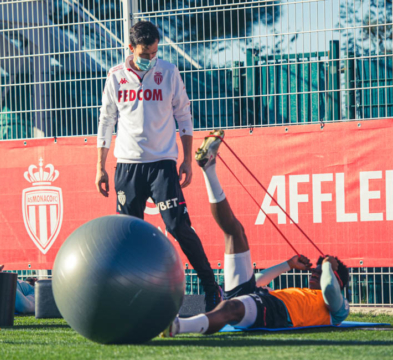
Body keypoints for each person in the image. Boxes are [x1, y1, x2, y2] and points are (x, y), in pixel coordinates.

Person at [162, 130, 350, 336]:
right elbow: (256, 281)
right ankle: (208, 167)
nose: (315, 271)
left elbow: (330, 289)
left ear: (337, 279)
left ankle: (177, 326)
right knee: (235, 233)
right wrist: (287, 265)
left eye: (320, 271)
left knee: (229, 308)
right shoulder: (300, 293)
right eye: (318, 269)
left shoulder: (338, 308)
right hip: (259, 296)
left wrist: (328, 265)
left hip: (274, 312)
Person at [95, 20, 221, 310]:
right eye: (145, 53)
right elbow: (105, 123)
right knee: (129, 234)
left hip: (163, 164)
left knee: (178, 226)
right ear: (130, 48)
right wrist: (100, 167)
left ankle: (211, 288)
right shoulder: (115, 76)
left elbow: (184, 117)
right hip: (127, 166)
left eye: (154, 52)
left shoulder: (168, 72)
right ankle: (131, 295)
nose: (150, 59)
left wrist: (187, 160)